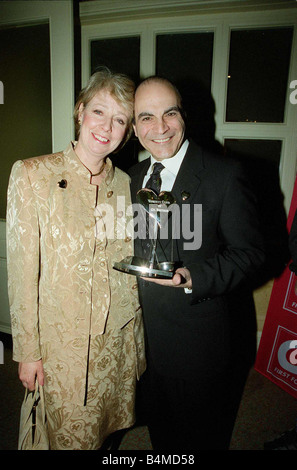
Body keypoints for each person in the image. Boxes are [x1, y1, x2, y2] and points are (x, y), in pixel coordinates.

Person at [6, 68, 146, 450]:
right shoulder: (34, 174)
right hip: (63, 349)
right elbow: (22, 274)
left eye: (120, 120)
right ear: (80, 111)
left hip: (117, 343)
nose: (107, 127)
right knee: (68, 436)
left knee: (108, 434)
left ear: (127, 132)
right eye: (99, 111)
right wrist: (28, 353)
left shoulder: (129, 185)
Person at [129, 76, 265, 450]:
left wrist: (193, 277)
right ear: (134, 125)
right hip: (143, 344)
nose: (160, 128)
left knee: (199, 439)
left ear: (184, 116)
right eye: (146, 117)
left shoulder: (224, 175)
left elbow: (251, 253)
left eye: (169, 113)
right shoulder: (131, 179)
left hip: (198, 344)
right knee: (162, 436)